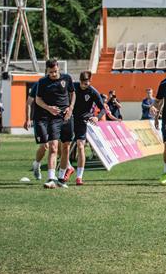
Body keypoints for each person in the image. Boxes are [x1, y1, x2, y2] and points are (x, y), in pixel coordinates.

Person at [35, 59, 75, 189]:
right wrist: (49, 108)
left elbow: (73, 93)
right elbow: (38, 99)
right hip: (53, 117)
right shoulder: (42, 82)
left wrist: (71, 107)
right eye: (51, 72)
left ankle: (61, 178)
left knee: (66, 147)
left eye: (55, 71)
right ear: (47, 70)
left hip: (67, 117)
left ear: (58, 68)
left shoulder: (67, 78)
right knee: (53, 147)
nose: (53, 74)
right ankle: (51, 178)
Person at [71, 71, 106, 185]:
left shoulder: (93, 91)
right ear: (80, 81)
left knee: (81, 146)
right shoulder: (73, 87)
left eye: (87, 83)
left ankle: (79, 177)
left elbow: (103, 108)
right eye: (83, 83)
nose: (85, 85)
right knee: (63, 145)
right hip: (70, 118)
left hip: (83, 120)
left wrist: (97, 117)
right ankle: (68, 168)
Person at [24, 80, 47, 181]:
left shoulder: (59, 83)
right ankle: (37, 164)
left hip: (54, 119)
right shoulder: (38, 85)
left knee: (57, 146)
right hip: (40, 120)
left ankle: (53, 176)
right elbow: (29, 103)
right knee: (45, 146)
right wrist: (28, 119)